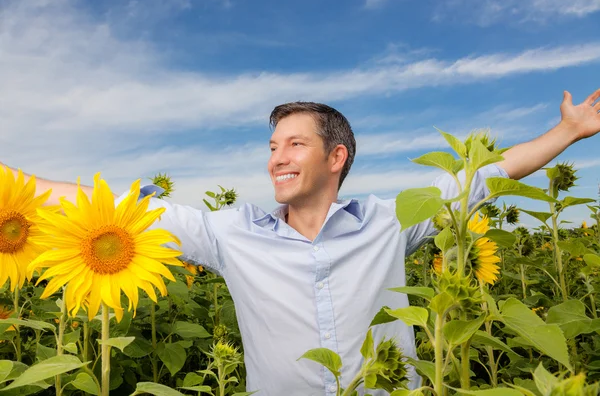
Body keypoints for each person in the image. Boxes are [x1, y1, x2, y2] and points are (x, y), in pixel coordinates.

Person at [3, 89, 600, 395]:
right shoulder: (231, 234)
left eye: (293, 145)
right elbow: (119, 207)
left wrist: (568, 131)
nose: (276, 159)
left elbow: (484, 175)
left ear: (335, 157)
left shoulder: (391, 221)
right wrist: (17, 183)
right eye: (271, 147)